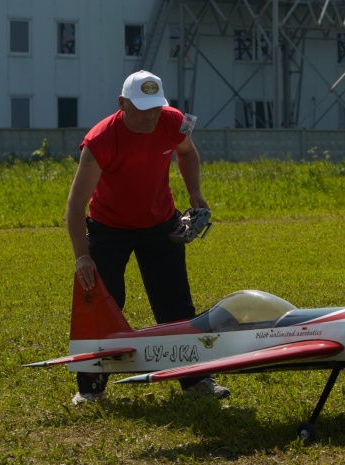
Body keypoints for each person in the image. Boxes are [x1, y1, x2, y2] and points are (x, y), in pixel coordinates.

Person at [66, 70, 229, 404]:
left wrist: (194, 192)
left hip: (159, 225)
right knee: (102, 307)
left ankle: (196, 381)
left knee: (176, 305)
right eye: (142, 109)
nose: (151, 116)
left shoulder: (174, 121)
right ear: (122, 104)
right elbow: (75, 205)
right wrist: (82, 256)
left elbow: (187, 152)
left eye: (156, 107)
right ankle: (90, 389)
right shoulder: (100, 141)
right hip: (109, 229)